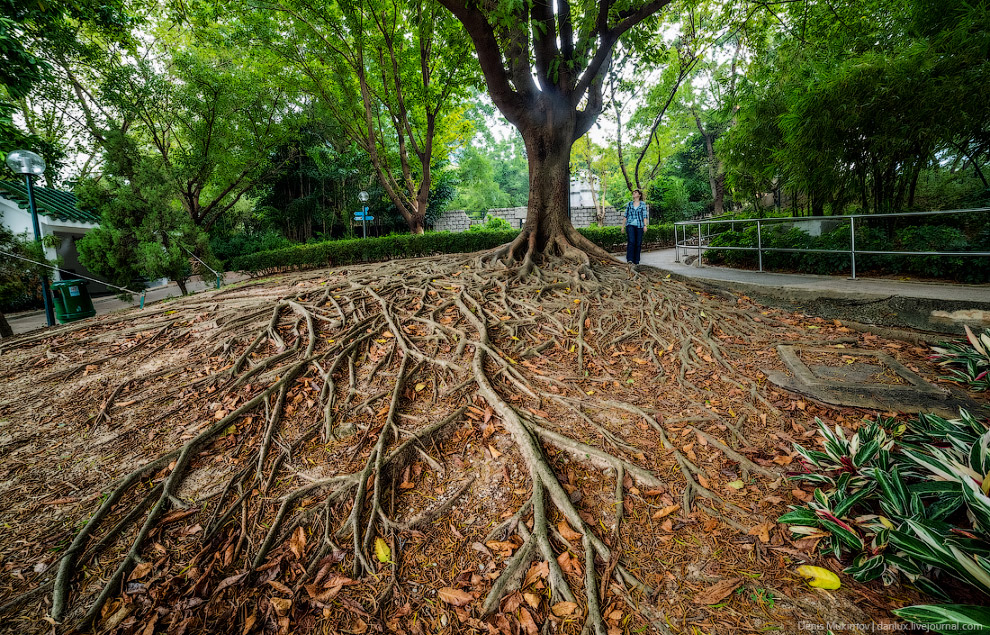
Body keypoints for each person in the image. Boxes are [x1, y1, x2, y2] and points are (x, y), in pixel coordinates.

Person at [624, 189, 648, 265]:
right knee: (631, 242)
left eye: (635, 192)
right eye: (633, 193)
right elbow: (625, 215)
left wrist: (645, 225)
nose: (634, 194)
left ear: (639, 195)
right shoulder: (630, 204)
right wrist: (622, 226)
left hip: (640, 225)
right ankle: (630, 259)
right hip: (630, 225)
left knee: (638, 243)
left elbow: (644, 216)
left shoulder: (642, 204)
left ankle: (636, 260)